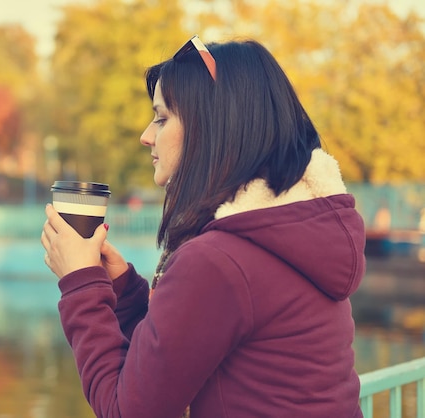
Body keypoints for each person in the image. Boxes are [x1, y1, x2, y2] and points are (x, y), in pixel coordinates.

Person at [41, 35, 366, 418]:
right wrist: (124, 291)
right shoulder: (285, 234)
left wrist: (80, 282)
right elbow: (170, 361)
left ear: (210, 127)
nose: (147, 136)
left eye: (161, 118)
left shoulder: (217, 262)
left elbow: (126, 410)